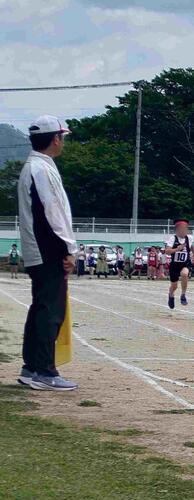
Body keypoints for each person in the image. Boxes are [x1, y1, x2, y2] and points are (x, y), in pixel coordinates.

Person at [16, 115, 78, 391]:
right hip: (47, 248)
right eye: (61, 137)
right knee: (50, 311)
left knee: (40, 307)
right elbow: (53, 213)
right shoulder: (40, 169)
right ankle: (44, 370)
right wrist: (68, 249)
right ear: (55, 139)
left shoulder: (36, 166)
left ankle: (31, 367)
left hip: (40, 248)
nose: (62, 142)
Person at [164, 218, 194, 309]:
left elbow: (192, 247)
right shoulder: (173, 238)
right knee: (174, 286)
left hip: (184, 263)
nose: (184, 231)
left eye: (186, 229)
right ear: (177, 230)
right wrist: (177, 249)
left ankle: (183, 295)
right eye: (182, 229)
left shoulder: (189, 238)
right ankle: (171, 294)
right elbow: (167, 251)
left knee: (185, 274)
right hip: (174, 265)